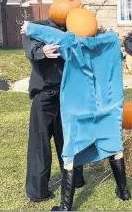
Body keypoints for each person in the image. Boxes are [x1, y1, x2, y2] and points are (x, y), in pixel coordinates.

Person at [21, 10, 131, 211]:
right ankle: (124, 191)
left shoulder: (73, 44)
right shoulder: (111, 41)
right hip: (109, 104)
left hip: (79, 106)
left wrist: (29, 27)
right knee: (114, 145)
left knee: (70, 150)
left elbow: (57, 38)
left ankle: (65, 207)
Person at [23, 17, 85, 203]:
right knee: (40, 144)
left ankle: (75, 179)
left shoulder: (75, 26)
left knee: (68, 139)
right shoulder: (39, 26)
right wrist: (41, 50)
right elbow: (29, 44)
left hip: (67, 94)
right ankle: (38, 190)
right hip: (44, 95)